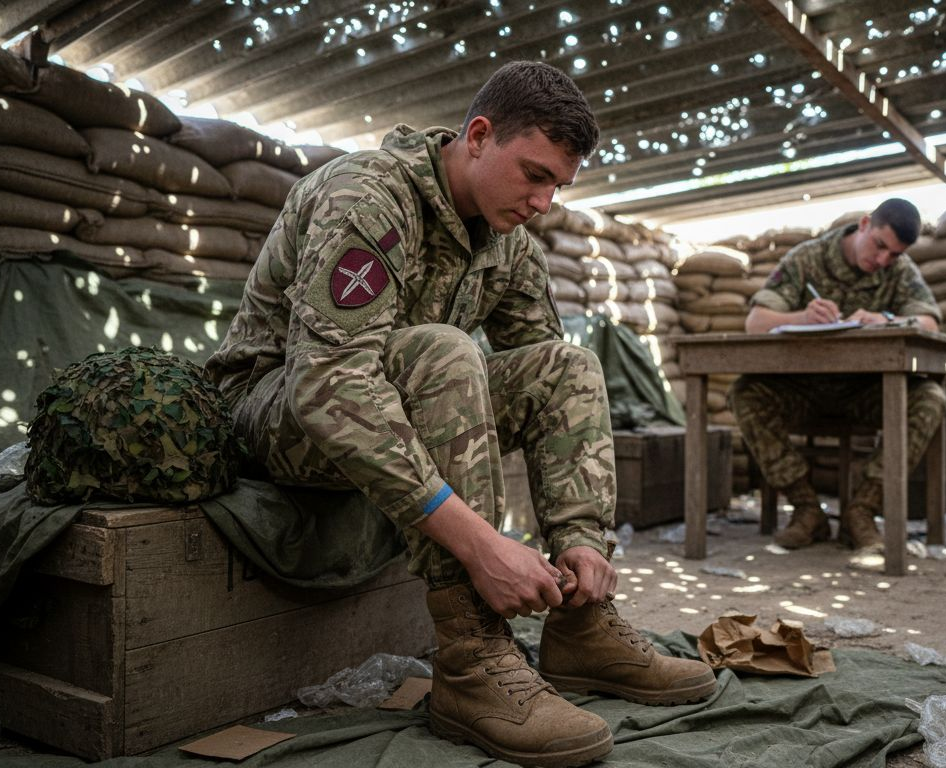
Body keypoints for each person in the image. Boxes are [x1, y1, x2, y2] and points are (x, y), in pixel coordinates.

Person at [205, 61, 715, 768]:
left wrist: (582, 539)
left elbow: (542, 376)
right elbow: (329, 385)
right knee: (444, 354)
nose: (542, 202)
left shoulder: (506, 242)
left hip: (387, 407)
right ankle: (471, 661)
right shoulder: (370, 195)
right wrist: (480, 543)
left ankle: (582, 625)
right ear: (478, 136)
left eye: (557, 187)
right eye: (533, 174)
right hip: (273, 412)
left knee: (568, 364)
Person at [730, 199, 945, 551]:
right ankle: (807, 510)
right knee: (745, 394)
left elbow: (930, 321)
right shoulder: (807, 258)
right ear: (864, 225)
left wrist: (887, 320)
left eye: (893, 255)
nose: (882, 261)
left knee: (930, 398)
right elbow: (755, 322)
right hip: (804, 392)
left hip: (867, 393)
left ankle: (861, 512)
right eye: (879, 246)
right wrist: (801, 317)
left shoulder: (899, 270)